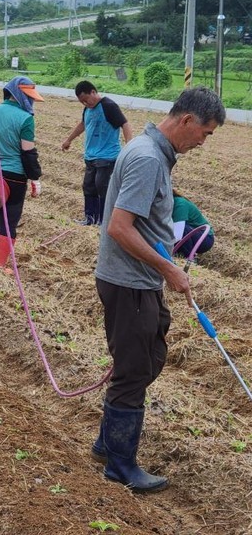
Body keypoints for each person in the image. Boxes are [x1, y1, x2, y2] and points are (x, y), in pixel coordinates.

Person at [91, 87, 224, 494]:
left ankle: (106, 442)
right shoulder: (149, 158)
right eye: (205, 133)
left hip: (138, 280)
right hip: (128, 281)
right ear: (186, 121)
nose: (203, 142)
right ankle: (120, 464)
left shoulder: (152, 152)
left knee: (148, 357)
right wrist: (169, 267)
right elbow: (119, 226)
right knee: (134, 370)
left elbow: (142, 219)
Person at [0, 77, 45, 268]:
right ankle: (0, 265)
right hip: (14, 177)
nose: (31, 101)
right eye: (28, 96)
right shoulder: (26, 119)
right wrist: (35, 178)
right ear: (18, 95)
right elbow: (28, 152)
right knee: (9, 220)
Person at [61, 81, 133, 226]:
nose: (85, 104)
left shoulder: (108, 106)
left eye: (86, 100)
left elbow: (125, 124)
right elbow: (83, 124)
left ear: (93, 92)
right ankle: (90, 218)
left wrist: (129, 146)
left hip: (107, 156)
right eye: (82, 102)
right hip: (90, 156)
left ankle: (103, 220)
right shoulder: (87, 109)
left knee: (103, 187)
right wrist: (69, 139)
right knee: (88, 186)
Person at [172, 191, 214, 258]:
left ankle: (187, 257)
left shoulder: (180, 204)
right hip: (191, 235)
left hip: (205, 239)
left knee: (183, 229)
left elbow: (177, 235)